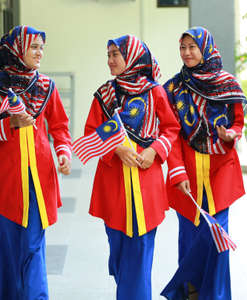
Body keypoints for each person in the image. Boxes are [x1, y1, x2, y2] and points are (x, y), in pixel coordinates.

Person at [0, 25, 72, 300]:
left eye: (41, 47)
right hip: (9, 180)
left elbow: (60, 125)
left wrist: (63, 152)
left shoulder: (46, 86)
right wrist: (7, 124)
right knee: (11, 244)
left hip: (40, 178)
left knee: (32, 244)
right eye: (34, 47)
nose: (39, 53)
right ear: (17, 49)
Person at [83, 34, 180, 300]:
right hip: (113, 185)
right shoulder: (104, 94)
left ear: (132, 56)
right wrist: (116, 149)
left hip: (145, 184)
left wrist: (154, 150)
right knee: (119, 258)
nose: (110, 60)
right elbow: (91, 132)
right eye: (109, 55)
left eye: (116, 54)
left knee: (138, 258)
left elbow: (171, 129)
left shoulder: (154, 91)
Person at [161, 27, 247, 300]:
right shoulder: (174, 88)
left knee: (216, 236)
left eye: (192, 47)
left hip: (221, 171)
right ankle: (190, 293)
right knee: (189, 238)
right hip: (186, 171)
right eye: (183, 48)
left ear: (205, 48)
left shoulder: (227, 84)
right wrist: (176, 170)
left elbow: (237, 122)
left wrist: (232, 134)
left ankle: (214, 296)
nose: (187, 53)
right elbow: (171, 132)